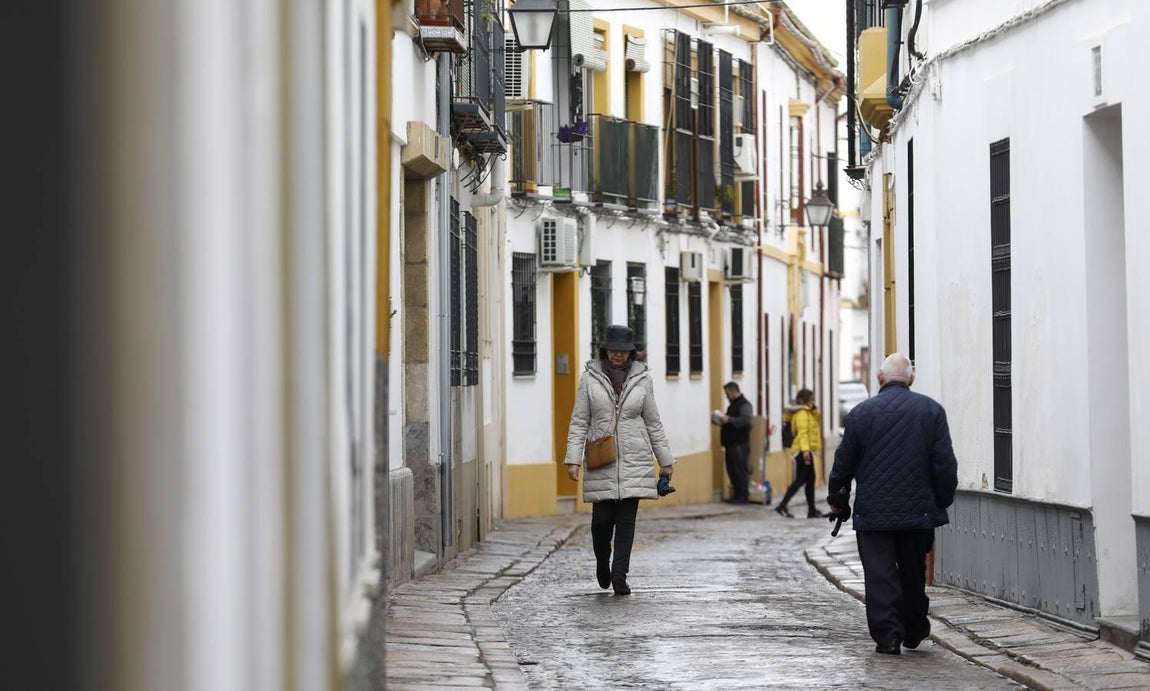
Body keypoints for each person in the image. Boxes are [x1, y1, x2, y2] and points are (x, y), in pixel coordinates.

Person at [826, 353, 958, 655]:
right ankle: (914, 628)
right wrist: (941, 500)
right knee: (913, 573)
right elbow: (944, 465)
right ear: (911, 379)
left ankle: (888, 637)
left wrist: (837, 500)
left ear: (879, 378)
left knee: (879, 576)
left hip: (873, 513)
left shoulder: (860, 414)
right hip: (918, 511)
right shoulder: (931, 412)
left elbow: (843, 464)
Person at [564, 324, 676, 595]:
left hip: (635, 459)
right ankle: (603, 560)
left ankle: (619, 576)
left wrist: (666, 461)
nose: (618, 355)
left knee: (626, 522)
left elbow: (653, 422)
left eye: (623, 351)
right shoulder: (589, 379)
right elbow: (579, 421)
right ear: (605, 350)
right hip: (601, 457)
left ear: (631, 353)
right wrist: (573, 460)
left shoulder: (643, 380)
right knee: (601, 521)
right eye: (613, 350)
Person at [774, 388, 823, 518]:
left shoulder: (807, 413)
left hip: (805, 450)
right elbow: (802, 434)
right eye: (812, 399)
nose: (813, 401)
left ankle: (811, 510)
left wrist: (814, 410)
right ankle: (782, 505)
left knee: (809, 479)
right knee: (801, 480)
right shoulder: (802, 414)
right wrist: (806, 452)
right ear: (806, 400)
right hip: (803, 451)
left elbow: (816, 420)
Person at [715, 381, 753, 504]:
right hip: (731, 443)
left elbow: (746, 420)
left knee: (739, 470)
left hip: (739, 444)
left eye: (727, 393)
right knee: (732, 470)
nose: (726, 396)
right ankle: (736, 495)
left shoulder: (744, 404)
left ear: (732, 391)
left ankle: (743, 496)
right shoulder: (733, 405)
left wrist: (729, 419)